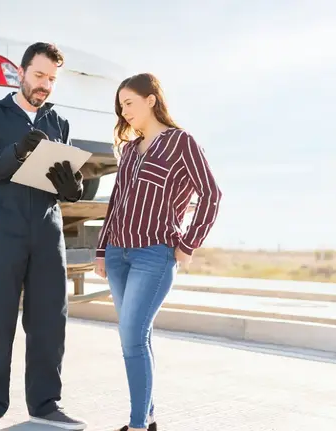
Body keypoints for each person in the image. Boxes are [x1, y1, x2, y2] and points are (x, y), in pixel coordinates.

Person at [0, 42, 87, 431]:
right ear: (21, 72)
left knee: (50, 320)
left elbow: (66, 177)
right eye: (39, 76)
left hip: (47, 230)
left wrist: (73, 188)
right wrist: (17, 151)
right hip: (4, 230)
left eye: (51, 79)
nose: (45, 85)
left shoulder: (58, 123)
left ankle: (46, 404)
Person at [94, 73, 223, 431]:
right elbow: (116, 203)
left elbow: (211, 195)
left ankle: (137, 426)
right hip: (119, 255)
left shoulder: (182, 143)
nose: (124, 111)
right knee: (137, 337)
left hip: (154, 255)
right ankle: (147, 419)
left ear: (151, 99)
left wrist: (187, 244)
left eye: (129, 102)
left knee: (132, 338)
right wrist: (103, 250)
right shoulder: (131, 151)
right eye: (120, 106)